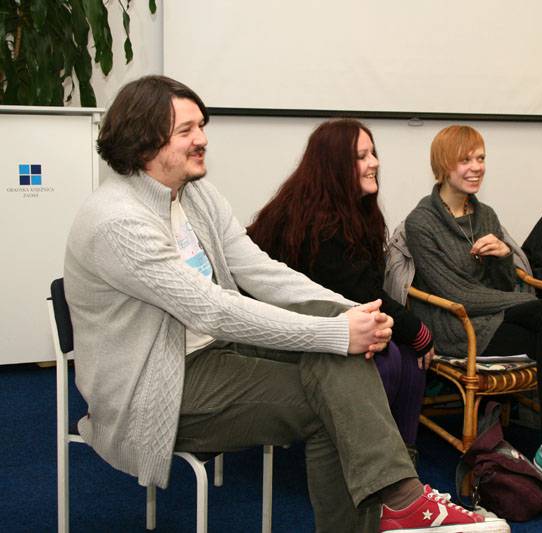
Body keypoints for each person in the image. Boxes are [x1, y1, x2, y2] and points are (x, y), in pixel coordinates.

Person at [63, 76, 508, 533]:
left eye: (202, 126)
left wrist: (350, 313)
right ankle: (399, 501)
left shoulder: (194, 194)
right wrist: (337, 333)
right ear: (144, 142)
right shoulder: (118, 221)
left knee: (337, 346)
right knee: (333, 402)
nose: (202, 139)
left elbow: (258, 269)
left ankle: (400, 502)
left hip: (212, 349)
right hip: (157, 383)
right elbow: (213, 310)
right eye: (186, 130)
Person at [404, 125, 542, 506]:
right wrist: (517, 302)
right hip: (459, 328)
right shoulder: (422, 221)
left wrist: (503, 257)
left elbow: (504, 282)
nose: (477, 167)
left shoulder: (485, 214)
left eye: (481, 158)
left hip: (492, 319)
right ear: (443, 165)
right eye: (466, 160)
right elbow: (455, 294)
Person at [246, 118, 432, 460]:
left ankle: (402, 463)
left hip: (339, 319)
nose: (374, 163)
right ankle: (366, 463)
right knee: (389, 358)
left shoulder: (353, 211)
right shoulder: (316, 224)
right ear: (335, 167)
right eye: (362, 156)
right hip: (292, 332)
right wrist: (419, 332)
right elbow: (362, 295)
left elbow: (363, 293)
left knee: (409, 357)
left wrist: (412, 334)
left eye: (372, 153)